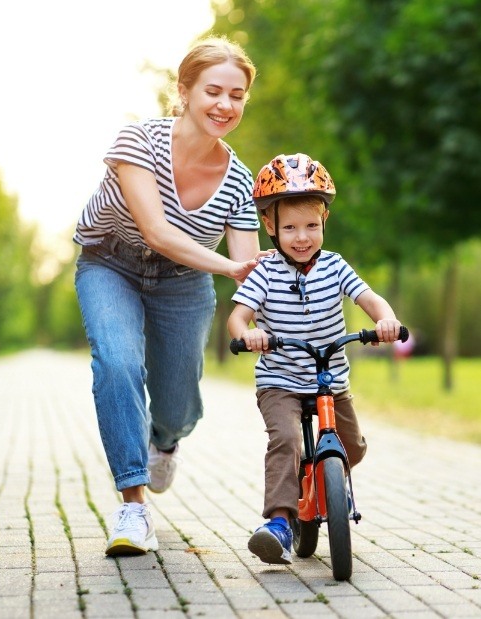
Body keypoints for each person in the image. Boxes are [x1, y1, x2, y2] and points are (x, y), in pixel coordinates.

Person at [74, 37, 269, 557]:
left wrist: (262, 316)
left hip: (184, 282)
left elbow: (249, 272)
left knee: (178, 401)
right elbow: (157, 231)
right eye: (213, 91)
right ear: (183, 91)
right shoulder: (137, 142)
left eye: (237, 95)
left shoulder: (240, 180)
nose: (225, 105)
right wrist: (229, 265)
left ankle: (167, 440)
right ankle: (133, 506)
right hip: (109, 263)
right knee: (116, 362)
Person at [227, 153, 402, 565]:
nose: (301, 236)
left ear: (324, 220)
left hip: (330, 380)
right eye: (289, 227)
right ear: (270, 226)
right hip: (281, 381)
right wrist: (248, 335)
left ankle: (319, 479)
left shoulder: (335, 266)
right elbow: (237, 317)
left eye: (311, 225)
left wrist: (387, 320)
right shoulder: (265, 273)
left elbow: (369, 298)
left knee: (353, 448)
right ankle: (280, 523)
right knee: (285, 441)